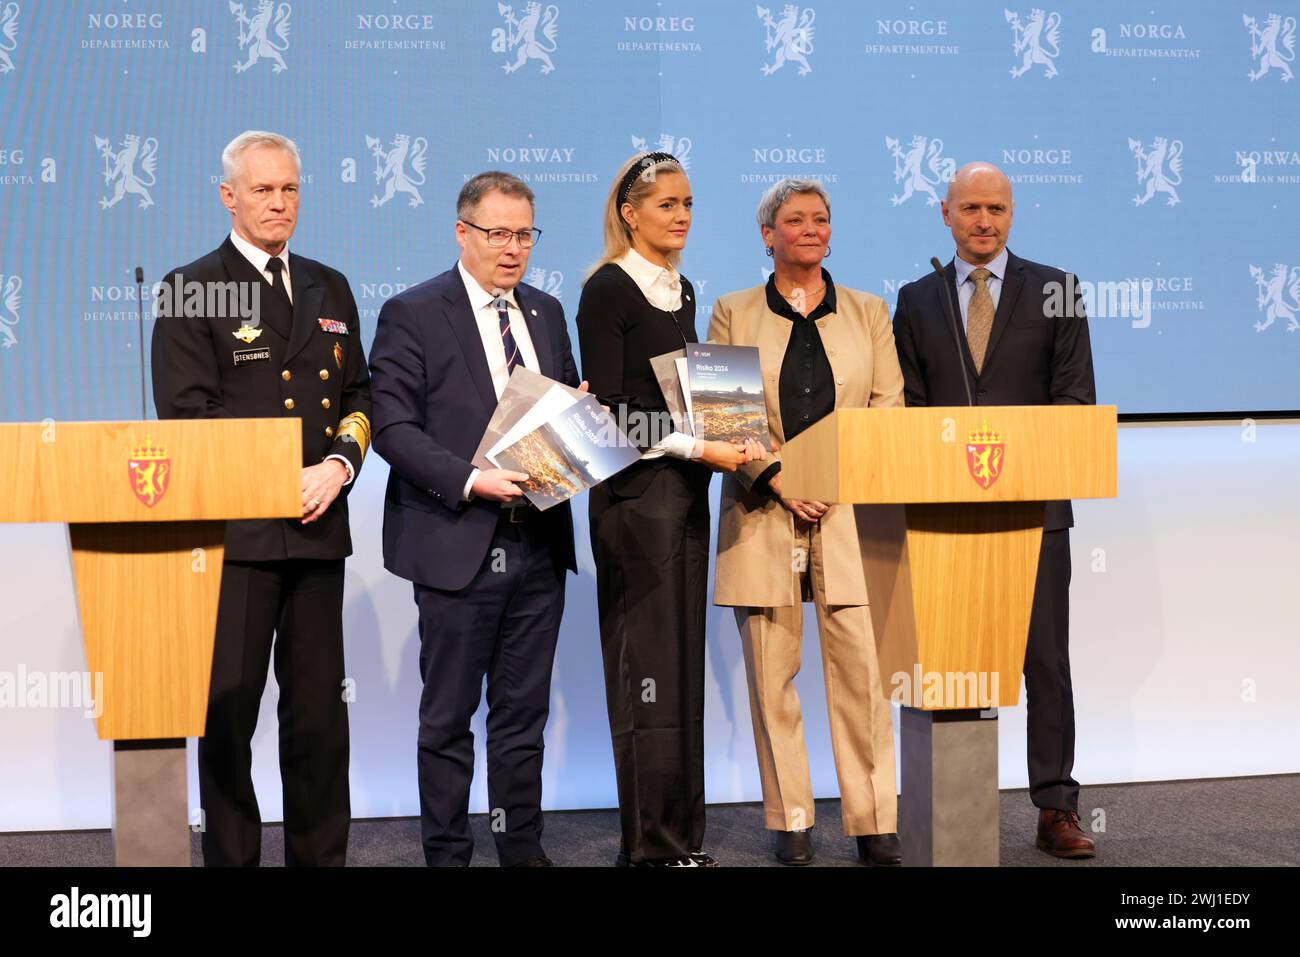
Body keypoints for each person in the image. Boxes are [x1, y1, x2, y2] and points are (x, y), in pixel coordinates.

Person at [151, 130, 372, 866]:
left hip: (317, 529)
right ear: (229, 196)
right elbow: (185, 415)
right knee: (229, 719)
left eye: (290, 189)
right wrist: (283, 474)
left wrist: (339, 466)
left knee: (317, 722)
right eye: (263, 190)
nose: (279, 204)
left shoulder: (329, 285)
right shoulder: (193, 287)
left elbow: (358, 396)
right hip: (235, 539)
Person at [369, 171, 583, 867]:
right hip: (455, 542)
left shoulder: (547, 311)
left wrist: (579, 425)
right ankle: (448, 855)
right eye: (498, 233)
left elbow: (563, 414)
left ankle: (522, 849)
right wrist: (470, 478)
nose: (512, 248)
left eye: (524, 234)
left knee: (523, 717)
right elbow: (393, 428)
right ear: (462, 232)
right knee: (448, 719)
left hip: (539, 542)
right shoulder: (413, 311)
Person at [892, 161, 1097, 859]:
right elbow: (911, 409)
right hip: (945, 514)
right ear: (944, 212)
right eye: (972, 208)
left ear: (1013, 214)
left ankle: (1056, 807)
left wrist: (1009, 456)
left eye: (997, 209)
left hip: (1035, 511)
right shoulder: (916, 299)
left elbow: (1073, 402)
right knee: (951, 661)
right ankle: (954, 803)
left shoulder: (1058, 290)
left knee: (1046, 661)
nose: (985, 221)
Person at [577, 151, 765, 867]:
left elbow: (683, 394)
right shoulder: (608, 289)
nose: (682, 216)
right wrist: (698, 445)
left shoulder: (682, 289)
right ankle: (651, 847)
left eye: (688, 203)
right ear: (630, 212)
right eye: (667, 204)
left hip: (686, 494)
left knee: (681, 665)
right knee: (645, 671)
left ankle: (683, 841)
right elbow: (614, 412)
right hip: (635, 499)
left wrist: (723, 438)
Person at [709, 179, 904, 867]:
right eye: (795, 220)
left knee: (862, 673)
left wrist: (825, 478)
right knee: (771, 675)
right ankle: (790, 819)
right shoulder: (731, 311)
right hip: (763, 509)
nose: (811, 229)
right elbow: (723, 421)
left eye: (821, 218)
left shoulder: (869, 311)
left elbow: (888, 412)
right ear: (768, 234)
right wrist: (782, 480)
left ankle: (875, 820)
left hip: (849, 513)